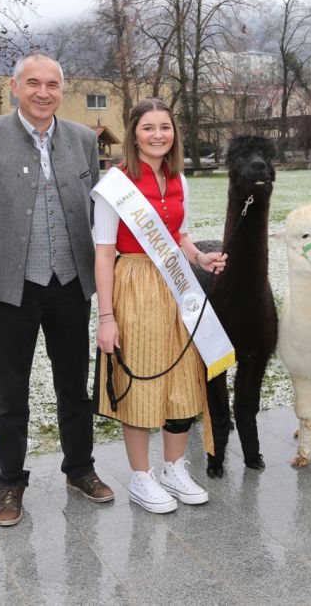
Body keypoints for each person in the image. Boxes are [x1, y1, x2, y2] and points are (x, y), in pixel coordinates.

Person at [0, 53, 114, 527]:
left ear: (62, 90)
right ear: (15, 87)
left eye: (53, 85)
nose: (44, 93)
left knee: (74, 385)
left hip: (69, 283)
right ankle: (10, 483)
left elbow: (92, 208)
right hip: (10, 287)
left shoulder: (84, 140)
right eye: (34, 84)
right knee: (9, 388)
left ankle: (80, 469)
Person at [91, 98, 228, 514]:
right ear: (134, 133)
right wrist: (107, 317)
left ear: (174, 133)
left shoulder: (178, 179)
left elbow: (180, 238)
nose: (157, 135)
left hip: (177, 289)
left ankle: (174, 467)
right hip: (134, 285)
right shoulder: (115, 184)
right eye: (148, 128)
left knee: (183, 380)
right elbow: (103, 253)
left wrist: (200, 258)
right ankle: (141, 476)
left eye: (165, 127)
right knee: (142, 381)